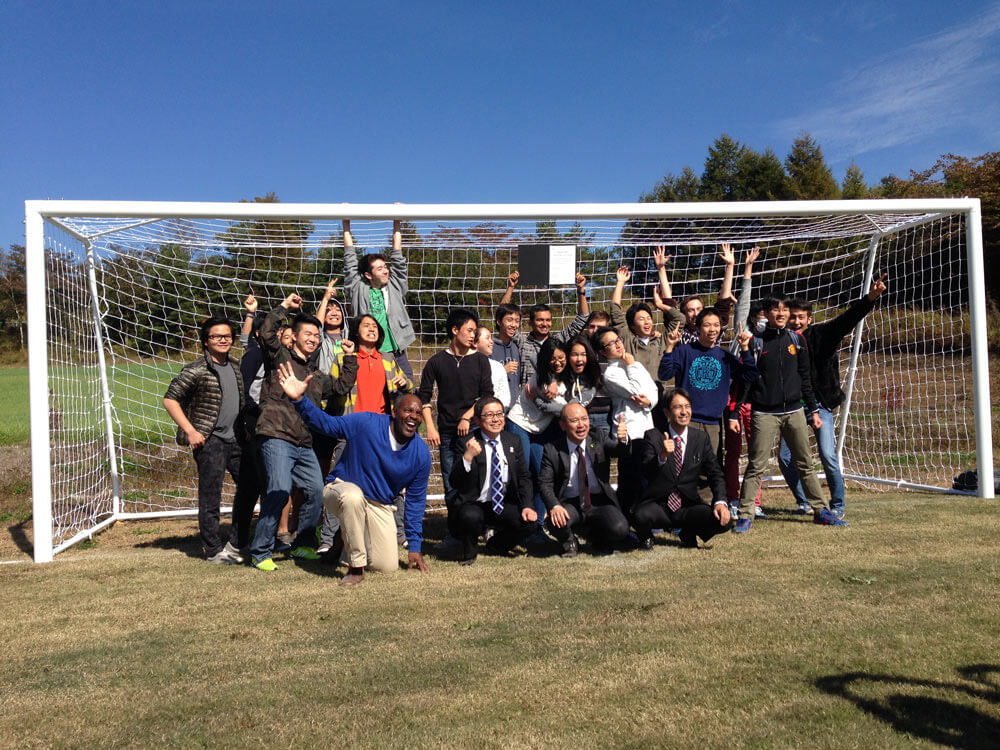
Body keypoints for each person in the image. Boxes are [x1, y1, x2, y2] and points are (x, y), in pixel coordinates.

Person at [276, 365, 431, 587]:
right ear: (394, 412)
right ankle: (355, 568)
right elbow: (327, 424)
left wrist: (414, 547)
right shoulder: (366, 423)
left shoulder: (421, 454)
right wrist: (299, 400)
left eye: (418, 413)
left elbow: (416, 501)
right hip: (341, 489)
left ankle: (342, 541)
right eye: (408, 411)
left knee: (386, 567)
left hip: (378, 503)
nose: (413, 417)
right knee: (352, 497)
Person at [732, 296, 847, 533]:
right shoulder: (755, 342)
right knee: (756, 465)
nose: (782, 314)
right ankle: (745, 515)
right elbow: (747, 381)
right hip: (764, 412)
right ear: (767, 314)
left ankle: (821, 510)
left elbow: (805, 380)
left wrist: (814, 410)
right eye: (776, 310)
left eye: (785, 310)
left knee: (805, 463)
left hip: (795, 411)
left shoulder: (798, 340)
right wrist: (735, 413)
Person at [778, 274, 888, 518]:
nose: (796, 321)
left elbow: (846, 320)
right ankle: (805, 501)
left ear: (809, 319)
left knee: (827, 455)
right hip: (793, 408)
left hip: (821, 405)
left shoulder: (822, 335)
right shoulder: (781, 341)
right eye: (792, 317)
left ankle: (837, 505)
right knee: (785, 458)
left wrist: (870, 298)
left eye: (800, 317)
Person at [248, 294, 337, 570]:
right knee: (278, 490)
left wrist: (350, 358)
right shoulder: (280, 356)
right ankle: (260, 551)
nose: (312, 338)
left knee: (315, 490)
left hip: (303, 441)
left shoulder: (315, 374)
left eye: (316, 335)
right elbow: (266, 332)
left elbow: (342, 386)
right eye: (307, 333)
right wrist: (284, 307)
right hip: (276, 435)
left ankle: (302, 546)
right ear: (294, 336)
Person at [316, 314, 413, 555]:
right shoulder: (343, 358)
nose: (371, 329)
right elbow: (334, 391)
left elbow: (410, 387)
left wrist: (405, 383)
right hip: (351, 430)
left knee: (393, 482)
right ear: (356, 332)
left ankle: (399, 534)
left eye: (374, 326)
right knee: (342, 484)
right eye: (365, 326)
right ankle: (328, 539)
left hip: (383, 430)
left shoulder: (389, 359)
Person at [162, 315, 246, 564]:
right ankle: (213, 550)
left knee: (250, 487)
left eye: (227, 336)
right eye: (216, 336)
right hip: (210, 441)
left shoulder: (235, 365)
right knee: (211, 495)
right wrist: (190, 430)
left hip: (237, 439)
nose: (223, 340)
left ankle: (237, 542)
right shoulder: (196, 369)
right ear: (206, 341)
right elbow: (170, 399)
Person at [633, 388, 733, 549]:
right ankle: (645, 536)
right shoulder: (654, 436)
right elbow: (646, 472)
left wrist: (720, 502)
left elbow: (715, 473)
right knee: (640, 516)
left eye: (687, 406)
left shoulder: (700, 438)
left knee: (724, 522)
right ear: (666, 412)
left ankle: (687, 532)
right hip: (660, 506)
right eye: (678, 407)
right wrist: (662, 456)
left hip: (687, 506)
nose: (684, 412)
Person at [658, 308, 758, 465]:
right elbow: (664, 374)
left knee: (709, 469)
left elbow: (750, 376)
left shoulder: (725, 356)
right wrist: (670, 347)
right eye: (707, 325)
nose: (712, 329)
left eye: (716, 325)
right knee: (682, 467)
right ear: (698, 328)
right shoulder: (685, 351)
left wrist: (745, 349)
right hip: (686, 420)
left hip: (713, 423)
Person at [417, 308, 494, 510]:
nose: (472, 335)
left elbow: (487, 395)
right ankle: (454, 531)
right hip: (447, 432)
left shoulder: (480, 360)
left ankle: (480, 525)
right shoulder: (436, 361)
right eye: (469, 330)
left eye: (475, 331)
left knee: (477, 478)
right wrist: (431, 427)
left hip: (475, 430)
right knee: (451, 481)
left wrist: (467, 417)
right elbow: (424, 395)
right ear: (454, 330)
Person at [448, 397, 537, 565]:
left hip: (501, 503)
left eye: (499, 414)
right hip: (474, 502)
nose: (496, 419)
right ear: (477, 419)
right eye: (489, 415)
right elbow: (455, 482)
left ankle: (496, 546)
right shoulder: (465, 443)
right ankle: (469, 554)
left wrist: (527, 505)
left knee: (529, 523)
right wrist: (467, 458)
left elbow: (524, 476)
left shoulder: (513, 441)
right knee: (470, 516)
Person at [538, 403, 630, 556]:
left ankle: (597, 538)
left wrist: (623, 440)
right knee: (556, 521)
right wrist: (554, 506)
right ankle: (569, 541)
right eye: (574, 420)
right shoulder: (552, 449)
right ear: (563, 425)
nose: (581, 425)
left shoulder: (598, 437)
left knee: (620, 529)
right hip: (570, 503)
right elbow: (544, 483)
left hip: (598, 501)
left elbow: (619, 451)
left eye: (584, 419)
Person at [343, 218, 416, 380]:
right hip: (368, 353)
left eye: (385, 267)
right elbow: (350, 261)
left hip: (397, 354)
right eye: (380, 268)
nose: (386, 271)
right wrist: (346, 222)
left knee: (407, 394)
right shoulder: (357, 289)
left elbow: (398, 259)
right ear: (368, 275)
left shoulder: (395, 286)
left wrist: (397, 220)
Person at [498, 270, 590, 390]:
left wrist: (581, 289)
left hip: (555, 396)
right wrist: (511, 287)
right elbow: (503, 313)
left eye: (548, 320)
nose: (544, 324)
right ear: (530, 322)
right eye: (540, 320)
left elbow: (583, 318)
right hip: (529, 398)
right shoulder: (523, 342)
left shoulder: (558, 341)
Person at [610, 247, 685, 391]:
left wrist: (659, 304)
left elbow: (679, 318)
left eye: (648, 318)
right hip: (635, 398)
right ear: (632, 325)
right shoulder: (628, 340)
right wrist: (620, 282)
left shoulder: (662, 340)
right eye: (641, 319)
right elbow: (615, 312)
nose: (647, 322)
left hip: (658, 398)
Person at [657, 244, 736, 345]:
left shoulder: (714, 331)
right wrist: (661, 268)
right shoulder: (679, 331)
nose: (696, 314)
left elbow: (724, 303)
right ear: (684, 313)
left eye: (699, 309)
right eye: (691, 310)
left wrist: (730, 266)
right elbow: (668, 303)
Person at [490, 298, 522, 408]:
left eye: (517, 321)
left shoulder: (516, 347)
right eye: (509, 320)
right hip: (495, 409)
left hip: (515, 409)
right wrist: (502, 370)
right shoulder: (489, 347)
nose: (514, 325)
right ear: (499, 322)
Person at [315, 280, 350, 374]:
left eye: (338, 310)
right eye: (328, 310)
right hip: (326, 385)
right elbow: (316, 328)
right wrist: (325, 299)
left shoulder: (350, 340)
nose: (334, 313)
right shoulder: (319, 341)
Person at [475, 325, 512, 410]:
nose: (491, 342)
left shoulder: (497, 366)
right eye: (487, 338)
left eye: (491, 338)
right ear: (475, 342)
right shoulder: (464, 364)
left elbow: (505, 396)